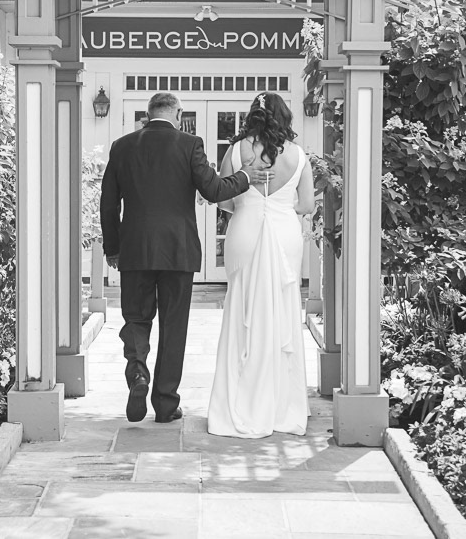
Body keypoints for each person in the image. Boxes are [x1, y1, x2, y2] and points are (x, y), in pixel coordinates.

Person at [100, 92, 266, 423]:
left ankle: (137, 371)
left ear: (149, 114)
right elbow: (213, 191)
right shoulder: (190, 144)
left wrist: (113, 248)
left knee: (136, 318)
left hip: (135, 249)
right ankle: (165, 404)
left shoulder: (122, 146)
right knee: (173, 327)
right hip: (178, 251)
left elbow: (108, 202)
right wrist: (246, 176)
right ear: (177, 114)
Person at [207, 92, 315, 438]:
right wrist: (281, 207)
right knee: (283, 308)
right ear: (284, 117)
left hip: (245, 229)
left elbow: (224, 200)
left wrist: (251, 203)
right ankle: (282, 405)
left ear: (252, 116)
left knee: (242, 308)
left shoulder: (237, 150)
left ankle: (241, 400)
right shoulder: (298, 155)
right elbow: (307, 205)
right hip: (285, 233)